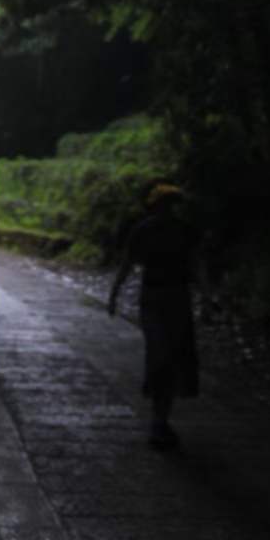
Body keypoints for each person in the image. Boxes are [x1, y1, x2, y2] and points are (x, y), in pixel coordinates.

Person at [108, 182, 208, 449]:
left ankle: (160, 420)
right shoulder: (162, 230)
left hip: (164, 296)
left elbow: (196, 266)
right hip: (165, 297)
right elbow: (196, 267)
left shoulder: (159, 230)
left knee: (166, 355)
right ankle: (159, 421)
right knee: (165, 356)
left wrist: (114, 295)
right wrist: (114, 294)